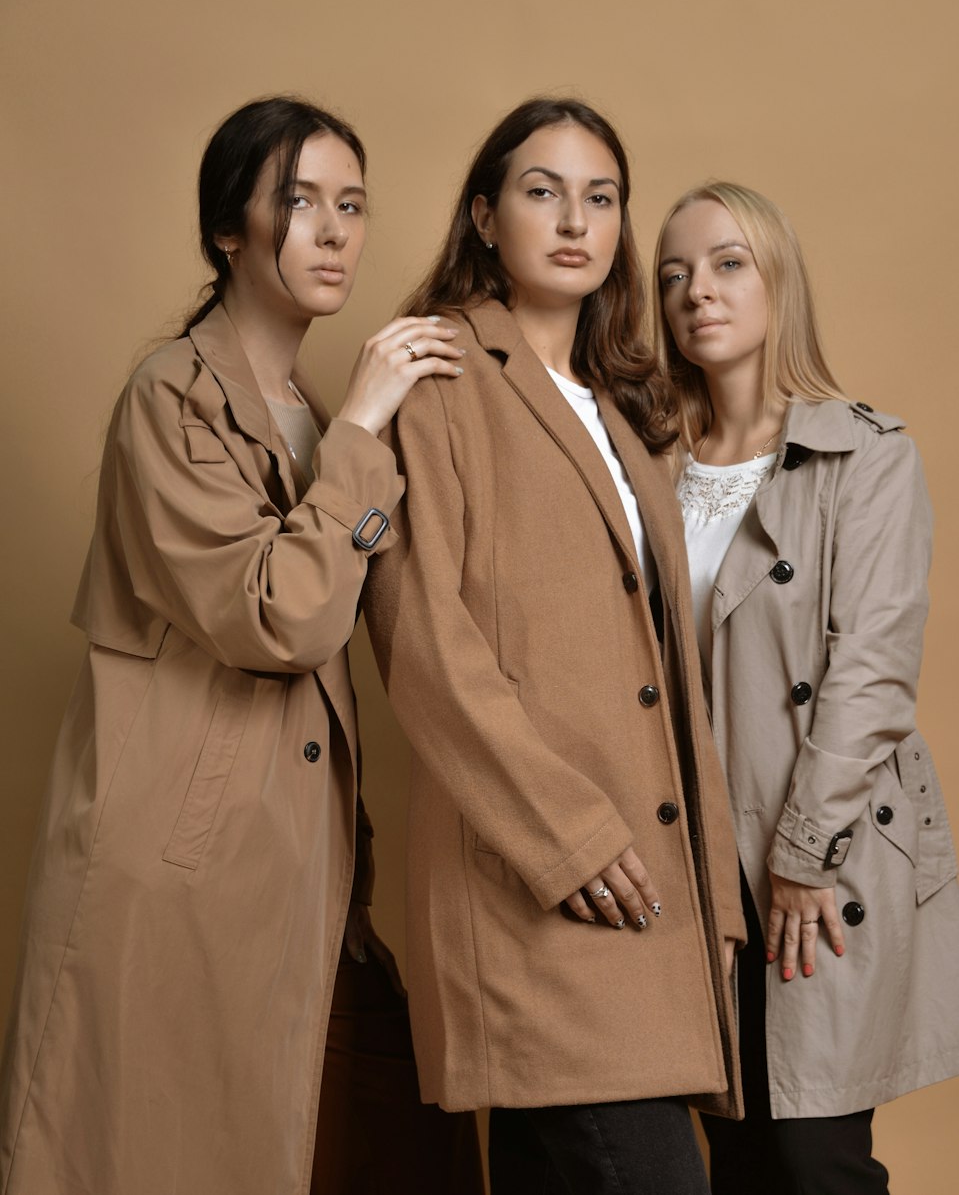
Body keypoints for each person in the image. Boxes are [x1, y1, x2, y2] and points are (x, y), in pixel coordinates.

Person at [0, 95, 482, 1195]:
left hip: (298, 867)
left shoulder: (306, 407)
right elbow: (283, 619)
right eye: (298, 201)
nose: (332, 230)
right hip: (183, 865)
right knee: (159, 1153)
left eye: (351, 204)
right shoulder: (173, 396)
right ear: (231, 228)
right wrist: (363, 432)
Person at [362, 98, 746, 1195]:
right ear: (484, 216)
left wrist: (712, 894)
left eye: (601, 196)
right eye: (542, 191)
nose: (575, 219)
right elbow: (423, 637)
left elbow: (673, 685)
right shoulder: (441, 378)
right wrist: (565, 832)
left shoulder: (623, 412)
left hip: (651, 891)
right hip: (549, 875)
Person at [655, 180, 959, 1194]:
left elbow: (874, 669)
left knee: (816, 1156)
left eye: (725, 264)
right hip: (701, 859)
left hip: (826, 845)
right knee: (741, 1153)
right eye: (672, 275)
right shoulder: (646, 469)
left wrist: (804, 854)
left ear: (776, 283)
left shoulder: (866, 453)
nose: (695, 293)